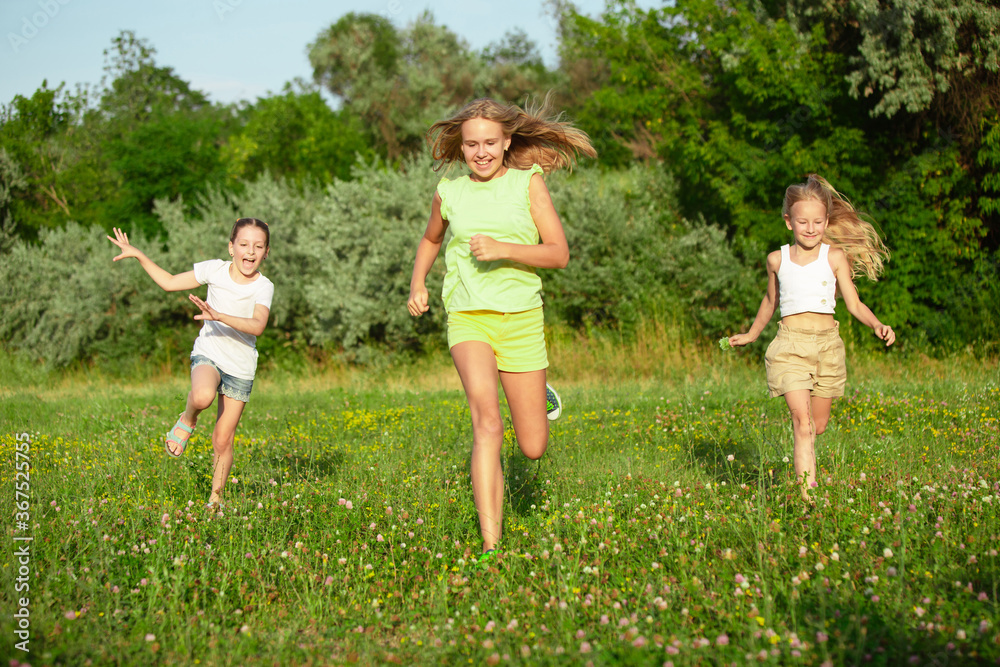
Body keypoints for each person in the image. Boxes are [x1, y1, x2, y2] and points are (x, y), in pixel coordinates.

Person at [407, 97, 595, 559]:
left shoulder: (527, 183)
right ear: (461, 146)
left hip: (522, 320)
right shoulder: (450, 192)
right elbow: (431, 239)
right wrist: (417, 284)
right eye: (472, 144)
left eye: (491, 142)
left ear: (508, 141)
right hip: (468, 317)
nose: (482, 152)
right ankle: (491, 546)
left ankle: (538, 390)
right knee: (487, 424)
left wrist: (504, 248)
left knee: (532, 448)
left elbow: (558, 254)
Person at [727, 175, 894, 501]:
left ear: (827, 221)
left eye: (818, 221)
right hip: (789, 347)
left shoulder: (834, 258)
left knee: (817, 426)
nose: (811, 228)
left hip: (827, 348)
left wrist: (877, 324)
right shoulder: (777, 260)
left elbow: (854, 303)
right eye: (802, 221)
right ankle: (807, 497)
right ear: (788, 221)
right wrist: (751, 333)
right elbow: (770, 302)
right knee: (802, 426)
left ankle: (807, 479)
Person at [107, 218, 274, 508]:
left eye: (258, 246)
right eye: (244, 244)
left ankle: (216, 499)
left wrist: (219, 315)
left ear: (266, 252)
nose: (250, 252)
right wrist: (140, 255)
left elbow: (258, 325)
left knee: (223, 439)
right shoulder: (215, 269)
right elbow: (170, 282)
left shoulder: (264, 286)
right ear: (231, 247)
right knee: (202, 396)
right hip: (209, 352)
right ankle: (187, 419)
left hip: (241, 367)